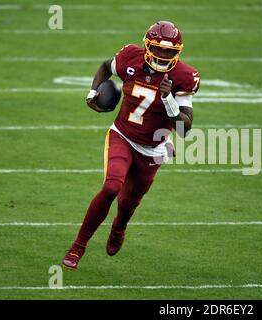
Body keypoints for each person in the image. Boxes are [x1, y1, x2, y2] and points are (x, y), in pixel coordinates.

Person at [62, 21, 200, 270]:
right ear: (148, 46)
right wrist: (92, 94)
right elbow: (106, 66)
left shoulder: (183, 77)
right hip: (122, 136)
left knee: (128, 204)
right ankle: (78, 246)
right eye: (159, 49)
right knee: (112, 186)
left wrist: (168, 99)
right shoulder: (130, 58)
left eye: (170, 51)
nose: (164, 55)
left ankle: (119, 227)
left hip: (153, 149)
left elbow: (184, 129)